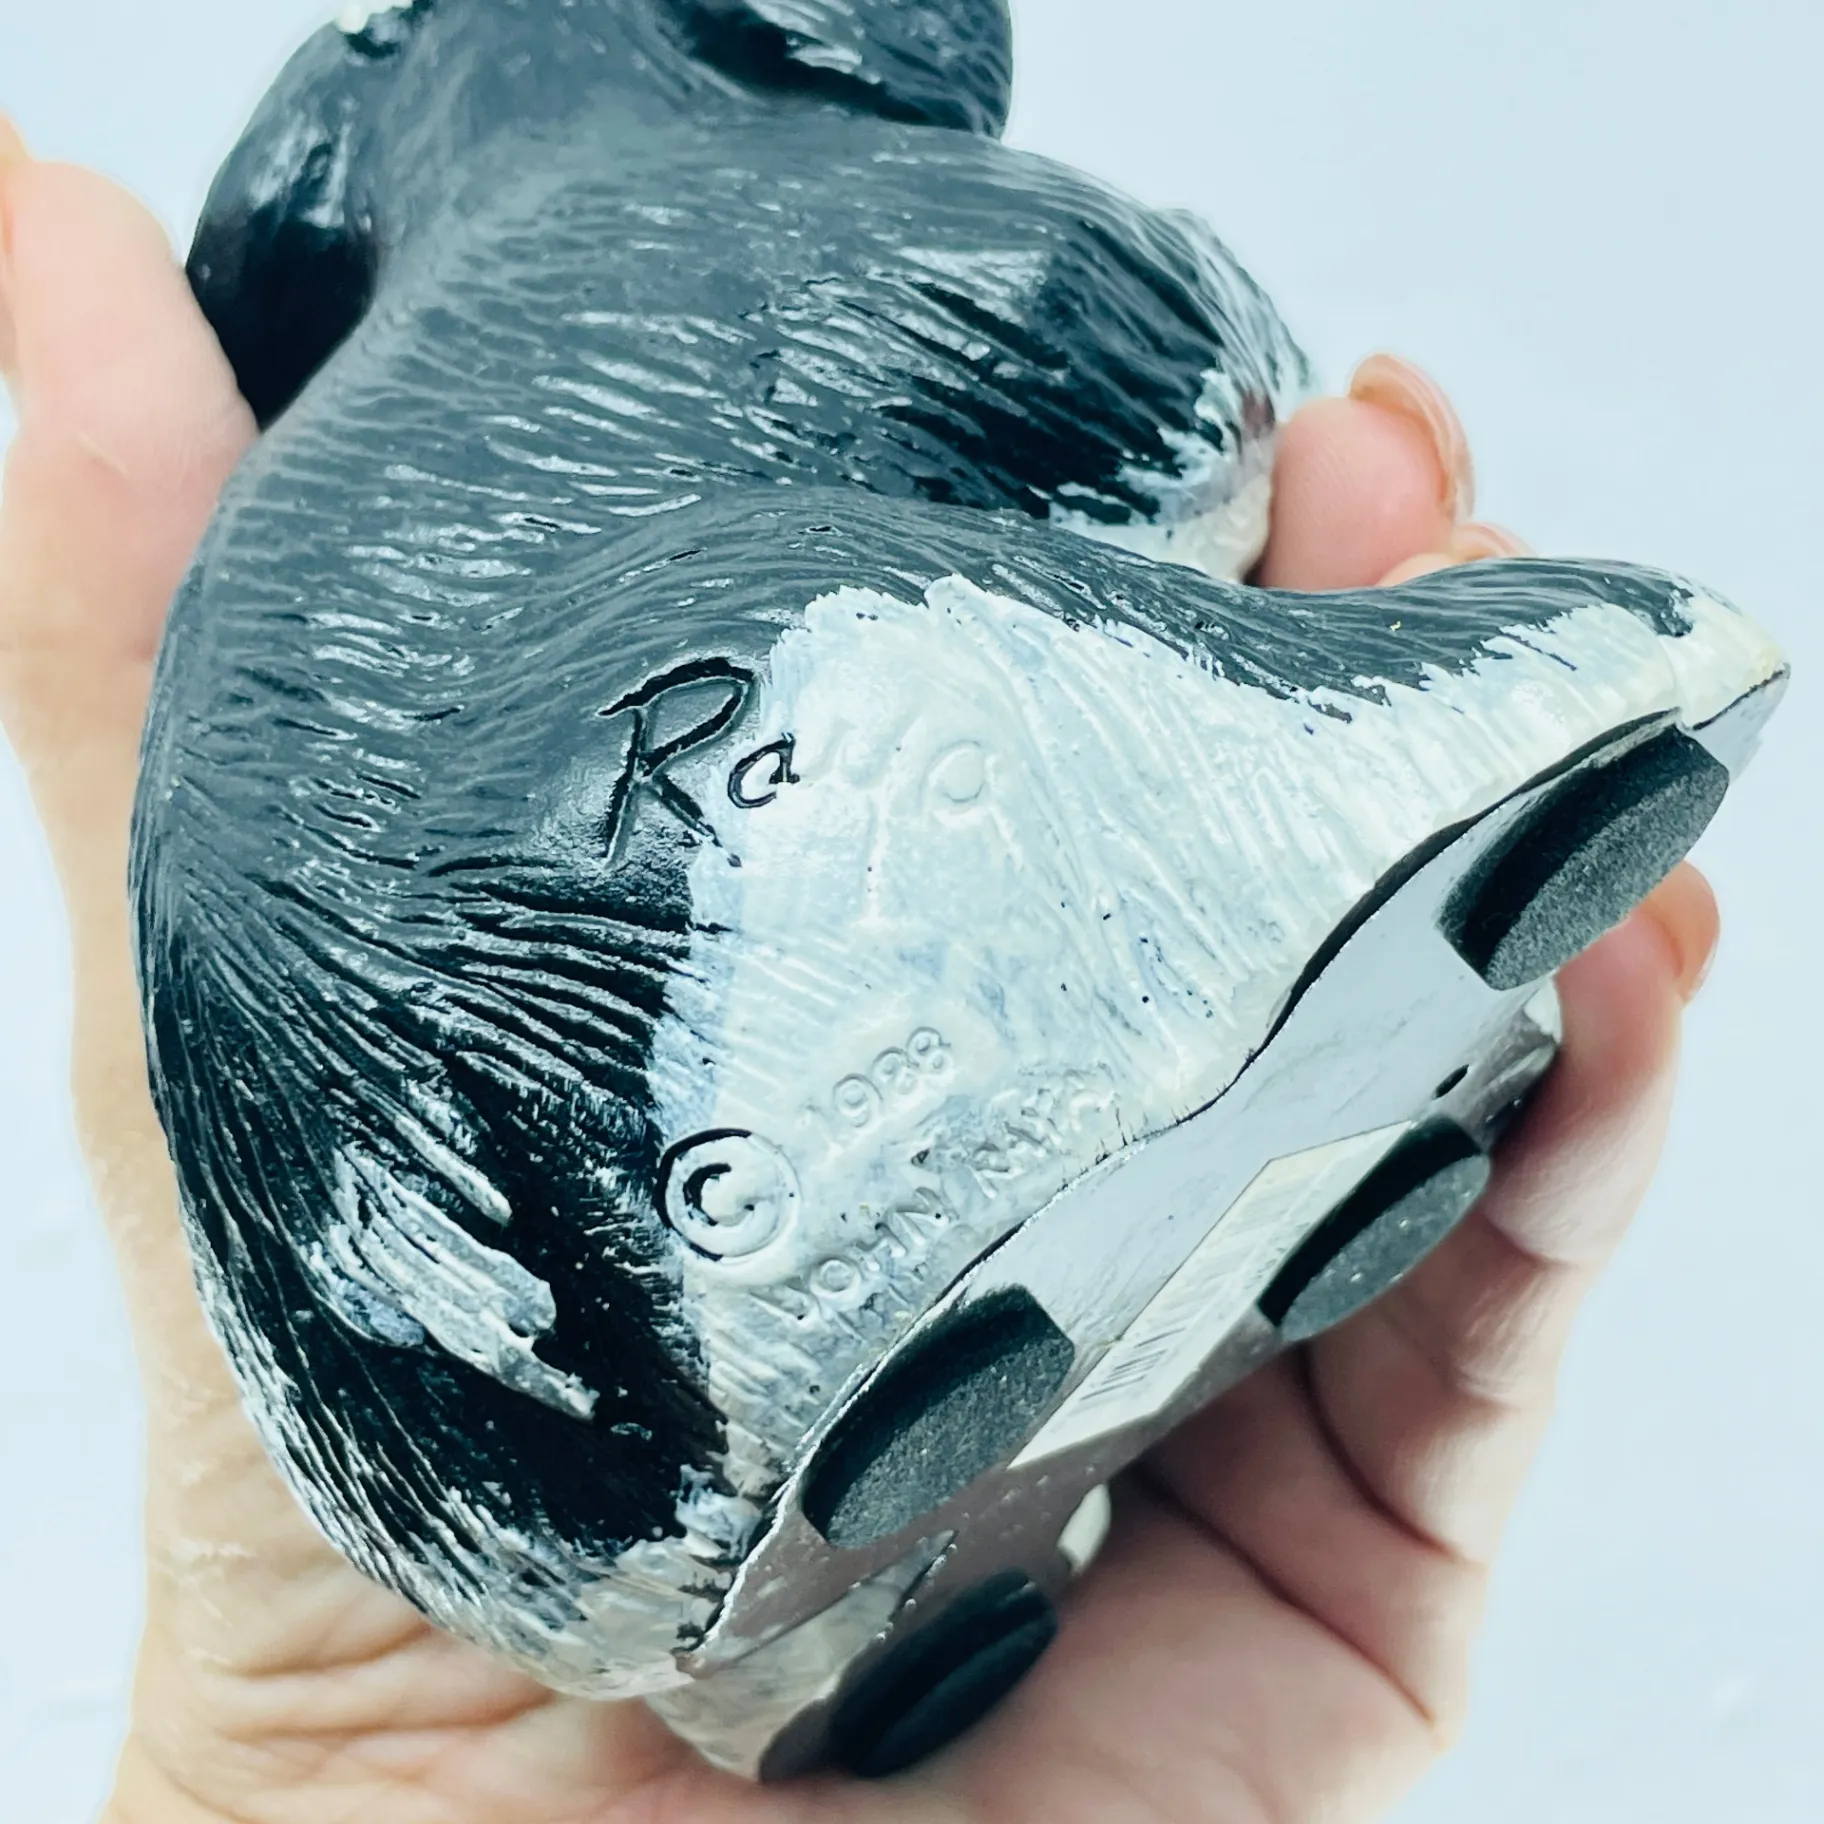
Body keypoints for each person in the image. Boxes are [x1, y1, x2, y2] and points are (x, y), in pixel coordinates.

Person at [0, 114, 1721, 1824]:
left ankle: (758, 1611)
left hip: (490, 1469)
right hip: (743, 879)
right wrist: (1230, 356)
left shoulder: (340, 534)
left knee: (863, 649)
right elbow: (1130, 356)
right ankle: (1345, 792)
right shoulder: (647, 196)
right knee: (942, 650)